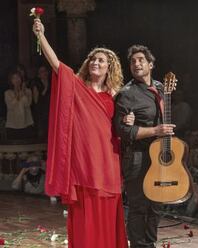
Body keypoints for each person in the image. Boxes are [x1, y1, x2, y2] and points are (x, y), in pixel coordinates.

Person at [33, 19, 128, 248]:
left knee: (107, 210)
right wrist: (41, 35)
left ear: (109, 67)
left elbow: (124, 125)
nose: (95, 62)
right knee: (85, 212)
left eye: (101, 60)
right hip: (83, 162)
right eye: (93, 59)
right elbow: (56, 64)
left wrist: (130, 119)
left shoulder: (116, 94)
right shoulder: (76, 85)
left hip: (107, 160)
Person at [114, 44, 176, 248]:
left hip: (159, 157)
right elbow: (123, 131)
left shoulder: (160, 87)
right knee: (139, 207)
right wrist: (155, 131)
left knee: (155, 207)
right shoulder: (127, 94)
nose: (136, 63)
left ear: (150, 64)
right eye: (132, 61)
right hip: (138, 158)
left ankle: (150, 244)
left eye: (140, 60)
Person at [4, 70, 34, 140]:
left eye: (18, 77)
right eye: (14, 78)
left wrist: (22, 91)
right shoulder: (7, 93)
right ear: (11, 81)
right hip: (12, 125)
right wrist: (18, 93)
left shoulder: (28, 91)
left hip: (27, 123)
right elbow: (10, 106)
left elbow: (28, 104)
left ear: (21, 79)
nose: (16, 80)